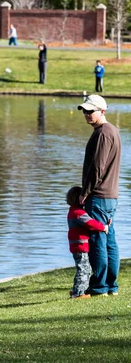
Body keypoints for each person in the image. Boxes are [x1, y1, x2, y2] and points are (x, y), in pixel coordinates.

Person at [78, 94, 121, 296]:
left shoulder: (103, 133)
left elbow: (97, 169)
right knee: (109, 239)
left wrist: (84, 194)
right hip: (110, 196)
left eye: (90, 111)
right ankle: (110, 286)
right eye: (84, 111)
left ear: (102, 111)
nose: (86, 114)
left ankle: (100, 286)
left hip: (99, 197)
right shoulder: (111, 131)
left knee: (98, 241)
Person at [66, 185, 109, 299]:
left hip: (76, 245)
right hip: (80, 245)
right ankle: (79, 293)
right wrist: (103, 227)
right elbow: (90, 223)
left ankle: (76, 289)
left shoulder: (73, 211)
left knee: (81, 268)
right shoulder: (79, 213)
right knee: (84, 269)